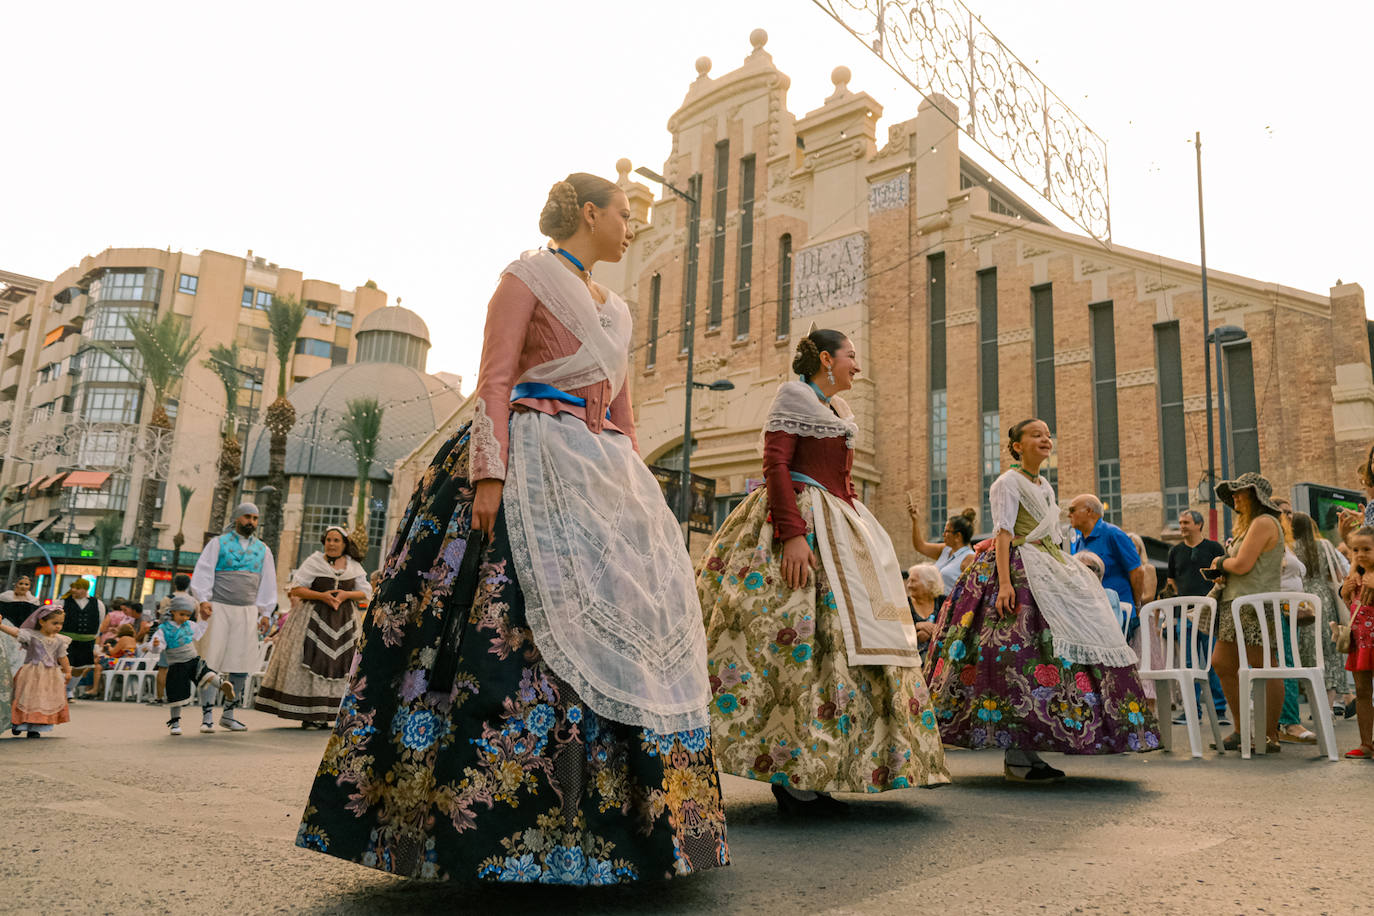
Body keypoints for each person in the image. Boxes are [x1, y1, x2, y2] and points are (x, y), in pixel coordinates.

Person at [296, 173, 728, 883]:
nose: (631, 226)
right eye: (623, 214)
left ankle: (624, 832)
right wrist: (488, 475)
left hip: (601, 469)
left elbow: (622, 410)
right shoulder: (524, 277)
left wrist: (638, 494)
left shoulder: (617, 309)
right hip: (527, 450)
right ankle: (483, 830)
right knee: (499, 625)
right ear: (589, 213)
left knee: (630, 625)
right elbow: (493, 380)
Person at [699, 328, 949, 813]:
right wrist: (792, 534)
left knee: (839, 645)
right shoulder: (792, 397)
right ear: (825, 359)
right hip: (800, 521)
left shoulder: (839, 412)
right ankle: (791, 774)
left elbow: (844, 481)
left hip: (839, 521)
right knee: (796, 643)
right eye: (851, 356)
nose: (857, 365)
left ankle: (820, 766)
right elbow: (775, 465)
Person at [925, 419, 1159, 782]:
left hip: (1048, 567)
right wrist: (1005, 585)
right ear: (1017, 446)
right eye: (1036, 435)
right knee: (1017, 658)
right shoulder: (1007, 483)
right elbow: (1003, 534)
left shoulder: (1044, 485)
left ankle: (1030, 750)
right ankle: (1018, 755)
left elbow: (1050, 535)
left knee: (1048, 656)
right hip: (1017, 571)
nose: (1045, 440)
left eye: (1048, 435)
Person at [256, 526, 372, 728]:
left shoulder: (353, 566)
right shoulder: (314, 562)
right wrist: (322, 596)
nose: (332, 544)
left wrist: (345, 595)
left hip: (345, 619)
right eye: (328, 540)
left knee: (344, 664)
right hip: (312, 616)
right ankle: (309, 714)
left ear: (344, 544)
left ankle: (332, 714)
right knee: (307, 658)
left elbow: (365, 592)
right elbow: (297, 589)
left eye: (336, 540)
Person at [1205, 473, 1286, 753]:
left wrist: (1220, 561)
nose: (1235, 497)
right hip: (1238, 603)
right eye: (1234, 492)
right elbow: (1239, 566)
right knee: (1223, 663)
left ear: (1255, 497)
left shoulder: (1264, 522)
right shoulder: (1251, 524)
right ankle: (1242, 730)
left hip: (1254, 604)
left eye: (1241, 492)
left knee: (1264, 666)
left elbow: (1241, 565)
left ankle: (1269, 735)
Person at [190, 502, 277, 733]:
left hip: (247, 612)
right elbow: (204, 572)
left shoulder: (263, 550)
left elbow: (267, 582)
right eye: (247, 517)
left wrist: (266, 612)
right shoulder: (218, 544)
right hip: (219, 608)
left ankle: (229, 714)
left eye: (255, 518)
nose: (252, 522)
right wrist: (204, 600)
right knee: (211, 660)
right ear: (237, 518)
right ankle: (207, 715)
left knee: (241, 663)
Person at [1165, 510, 1229, 725]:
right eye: (1181, 522)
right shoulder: (1175, 551)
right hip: (1185, 613)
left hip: (1209, 611)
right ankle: (1192, 710)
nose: (1182, 526)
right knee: (1190, 662)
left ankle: (1219, 710)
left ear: (1199, 525)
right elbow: (1172, 580)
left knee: (1213, 661)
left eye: (1186, 522)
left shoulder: (1214, 548)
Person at [1292, 512, 1354, 716]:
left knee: (1306, 652)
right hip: (1323, 599)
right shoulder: (1325, 545)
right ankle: (1327, 711)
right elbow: (1338, 575)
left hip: (1300, 601)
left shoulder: (1290, 548)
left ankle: (1314, 708)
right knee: (1328, 652)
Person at [157, 594, 235, 735]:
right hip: (177, 665)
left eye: (188, 615)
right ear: (172, 611)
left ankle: (223, 685)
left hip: (192, 659)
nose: (185, 618)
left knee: (206, 674)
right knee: (177, 696)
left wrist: (204, 620)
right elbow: (158, 645)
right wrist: (155, 645)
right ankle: (175, 724)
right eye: (182, 614)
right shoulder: (164, 629)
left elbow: (198, 634)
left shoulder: (189, 625)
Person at [1068, 495, 1145, 620]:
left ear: (1089, 511)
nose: (1068, 515)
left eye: (1072, 510)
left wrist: (1136, 607)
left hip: (1120, 614)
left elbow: (1137, 571)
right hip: (1094, 615)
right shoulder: (1079, 541)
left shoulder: (1113, 534)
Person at [0, 605, 71, 737]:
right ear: (42, 621)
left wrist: (67, 671)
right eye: (54, 623)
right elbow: (15, 632)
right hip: (31, 672)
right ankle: (19, 723)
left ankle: (35, 727)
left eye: (61, 623)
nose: (58, 627)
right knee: (26, 697)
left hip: (51, 675)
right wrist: (1, 626)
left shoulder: (60, 640)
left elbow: (62, 657)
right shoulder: (31, 636)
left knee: (43, 699)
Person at [1337, 527, 1374, 758]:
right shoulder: (1354, 579)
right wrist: (1345, 594)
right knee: (1361, 691)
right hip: (1360, 644)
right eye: (1355, 550)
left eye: (1367, 549)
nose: (1360, 554)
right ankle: (1365, 743)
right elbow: (1353, 609)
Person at [908, 504, 976, 603]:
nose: (943, 535)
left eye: (946, 531)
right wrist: (915, 521)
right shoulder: (945, 549)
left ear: (958, 536)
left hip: (950, 609)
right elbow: (920, 546)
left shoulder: (970, 557)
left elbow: (973, 591)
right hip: (934, 606)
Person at [60, 580, 104, 699]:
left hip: (87, 640)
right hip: (66, 639)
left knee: (81, 667)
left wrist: (96, 642)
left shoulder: (97, 603)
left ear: (85, 589)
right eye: (73, 587)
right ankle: (61, 690)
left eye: (78, 588)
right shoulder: (63, 601)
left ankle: (70, 689)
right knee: (64, 666)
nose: (74, 590)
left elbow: (99, 622)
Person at [906, 564, 942, 646]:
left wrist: (933, 632)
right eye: (909, 581)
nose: (909, 586)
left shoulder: (944, 603)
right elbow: (897, 631)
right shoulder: (905, 605)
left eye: (913, 581)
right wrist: (917, 626)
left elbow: (954, 628)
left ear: (929, 583)